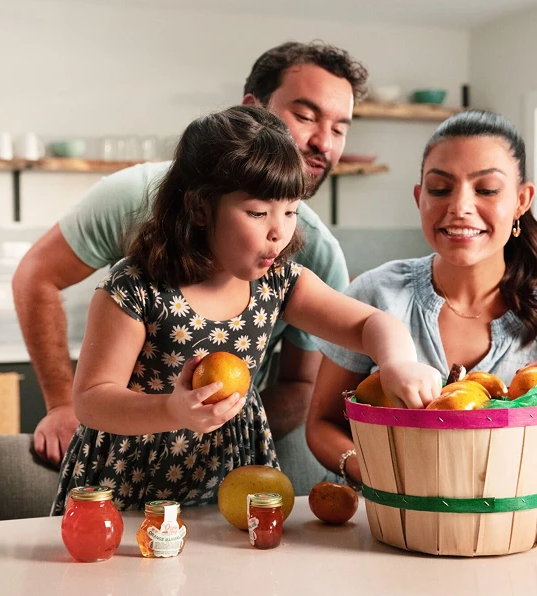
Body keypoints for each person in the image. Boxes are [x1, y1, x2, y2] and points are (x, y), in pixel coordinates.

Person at [13, 41, 368, 494]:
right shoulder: (131, 219)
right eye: (305, 116)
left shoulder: (303, 259)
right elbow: (37, 278)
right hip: (129, 470)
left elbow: (305, 379)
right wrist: (65, 404)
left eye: (340, 128)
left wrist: (216, 426)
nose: (324, 142)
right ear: (252, 112)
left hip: (217, 476)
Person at [50, 105, 442, 512]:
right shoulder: (136, 287)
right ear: (200, 207)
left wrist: (397, 361)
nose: (279, 231)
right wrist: (171, 410)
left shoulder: (278, 282)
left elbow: (370, 323)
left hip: (230, 479)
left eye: (290, 211)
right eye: (258, 212)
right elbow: (92, 400)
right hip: (130, 482)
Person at [306, 110, 537, 501]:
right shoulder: (376, 293)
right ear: (419, 198)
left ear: (521, 200)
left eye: (487, 189)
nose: (460, 206)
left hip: (509, 545)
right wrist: (379, 472)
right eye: (440, 189)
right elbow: (322, 423)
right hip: (390, 532)